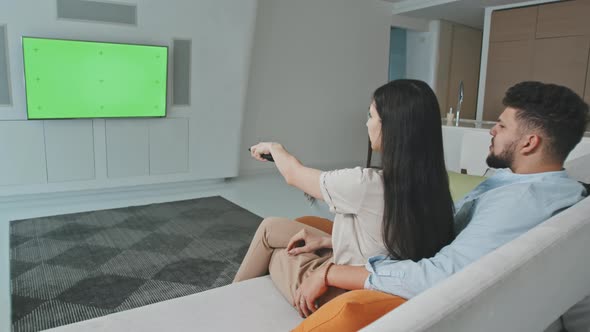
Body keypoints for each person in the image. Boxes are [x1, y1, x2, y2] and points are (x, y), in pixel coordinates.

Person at [289, 81, 588, 316]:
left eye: (502, 125)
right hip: (403, 254)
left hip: (411, 299)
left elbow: (439, 277)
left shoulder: (522, 204)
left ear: (529, 142)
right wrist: (335, 239)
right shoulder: (522, 182)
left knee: (279, 243)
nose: (491, 131)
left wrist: (330, 272)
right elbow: (440, 229)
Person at [233, 79, 456, 317]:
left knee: (279, 254)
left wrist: (274, 147)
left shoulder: (366, 185)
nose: (366, 123)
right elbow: (386, 239)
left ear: (391, 127)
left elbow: (293, 174)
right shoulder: (434, 188)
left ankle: (227, 301)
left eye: (371, 116)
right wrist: (327, 241)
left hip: (342, 292)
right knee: (270, 228)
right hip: (371, 275)